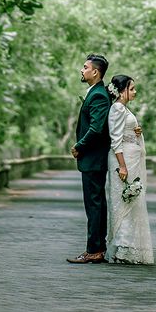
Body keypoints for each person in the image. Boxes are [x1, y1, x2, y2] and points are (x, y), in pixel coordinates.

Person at [105, 74, 154, 265]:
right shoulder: (117, 108)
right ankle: (121, 247)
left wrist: (136, 132)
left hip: (131, 159)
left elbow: (125, 131)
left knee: (131, 201)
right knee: (124, 202)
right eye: (131, 88)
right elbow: (115, 139)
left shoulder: (124, 109)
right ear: (121, 90)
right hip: (123, 161)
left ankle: (127, 247)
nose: (135, 91)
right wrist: (122, 166)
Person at [67, 53, 111, 264]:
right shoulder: (96, 92)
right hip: (94, 159)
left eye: (85, 67)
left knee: (94, 205)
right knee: (96, 204)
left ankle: (94, 250)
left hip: (93, 159)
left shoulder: (99, 95)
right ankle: (97, 248)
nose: (82, 70)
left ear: (95, 72)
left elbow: (96, 128)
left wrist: (79, 146)